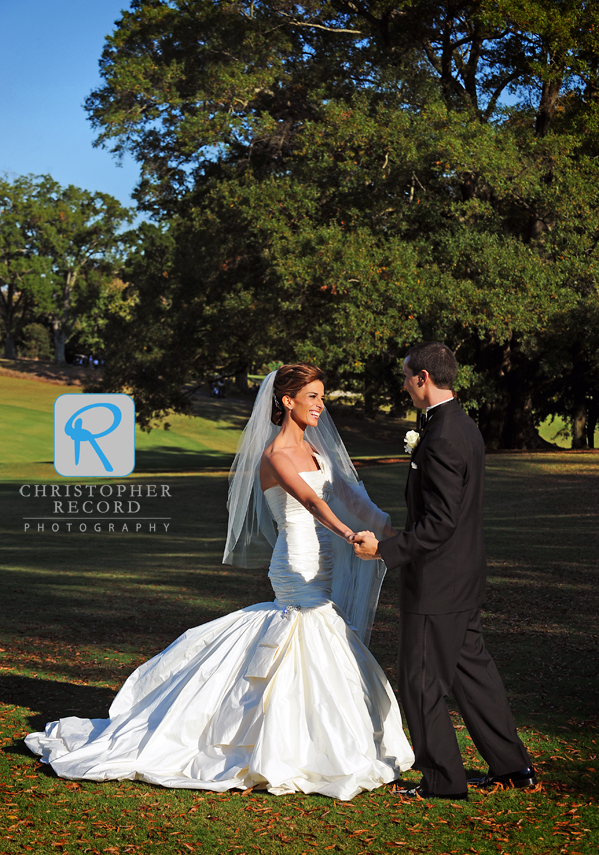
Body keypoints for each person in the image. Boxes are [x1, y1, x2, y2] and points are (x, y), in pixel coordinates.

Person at [25, 364, 413, 800]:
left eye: (323, 397)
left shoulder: (318, 453)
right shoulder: (275, 455)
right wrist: (349, 535)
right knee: (308, 631)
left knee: (317, 637)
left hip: (323, 561)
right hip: (296, 560)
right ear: (287, 401)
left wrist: (390, 534)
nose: (322, 406)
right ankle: (278, 742)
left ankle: (319, 737)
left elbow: (347, 495)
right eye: (313, 397)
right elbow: (309, 502)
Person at [352, 342, 535, 800]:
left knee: (420, 682)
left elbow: (439, 523)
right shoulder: (461, 426)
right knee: (474, 676)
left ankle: (441, 780)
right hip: (463, 577)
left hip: (438, 583)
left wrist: (384, 549)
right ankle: (513, 768)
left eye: (407, 375)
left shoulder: (443, 436)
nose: (404, 383)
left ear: (423, 378)